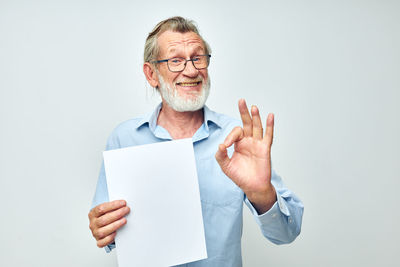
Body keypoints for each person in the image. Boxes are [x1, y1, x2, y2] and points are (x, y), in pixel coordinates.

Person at [88, 16, 303, 266]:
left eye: (197, 58)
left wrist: (262, 194)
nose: (191, 71)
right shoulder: (124, 138)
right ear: (151, 73)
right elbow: (107, 232)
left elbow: (287, 233)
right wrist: (102, 227)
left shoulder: (237, 138)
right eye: (176, 60)